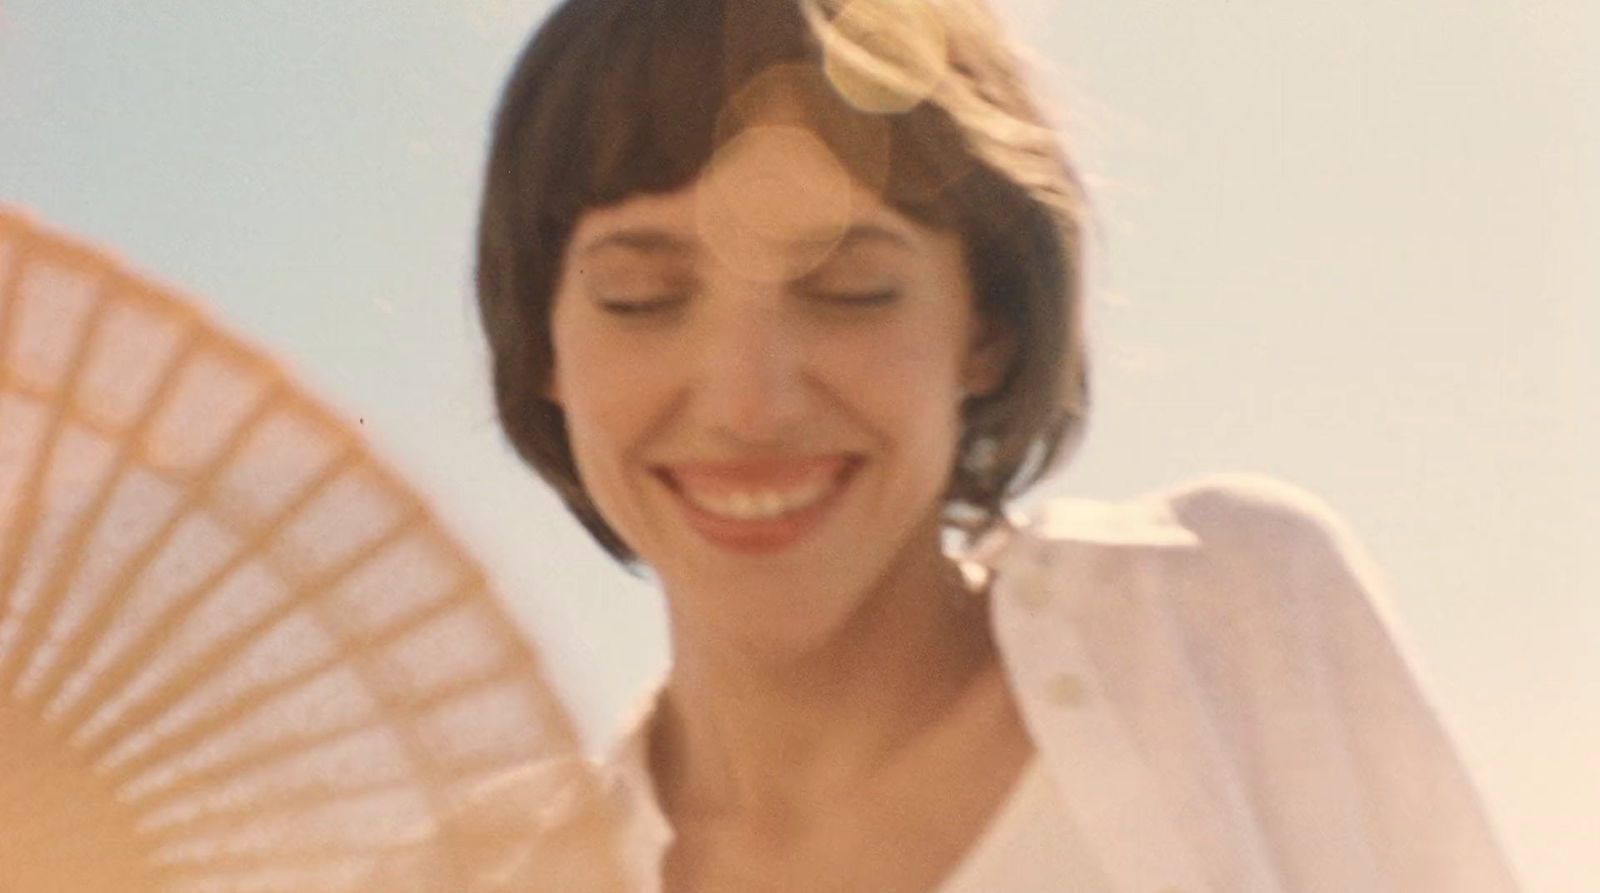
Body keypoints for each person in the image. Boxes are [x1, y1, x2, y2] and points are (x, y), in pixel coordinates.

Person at [367, 0, 1523, 890]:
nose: (748, 401)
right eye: (640, 296)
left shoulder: (1219, 618)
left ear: (985, 325)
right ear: (545, 353)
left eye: (850, 288)